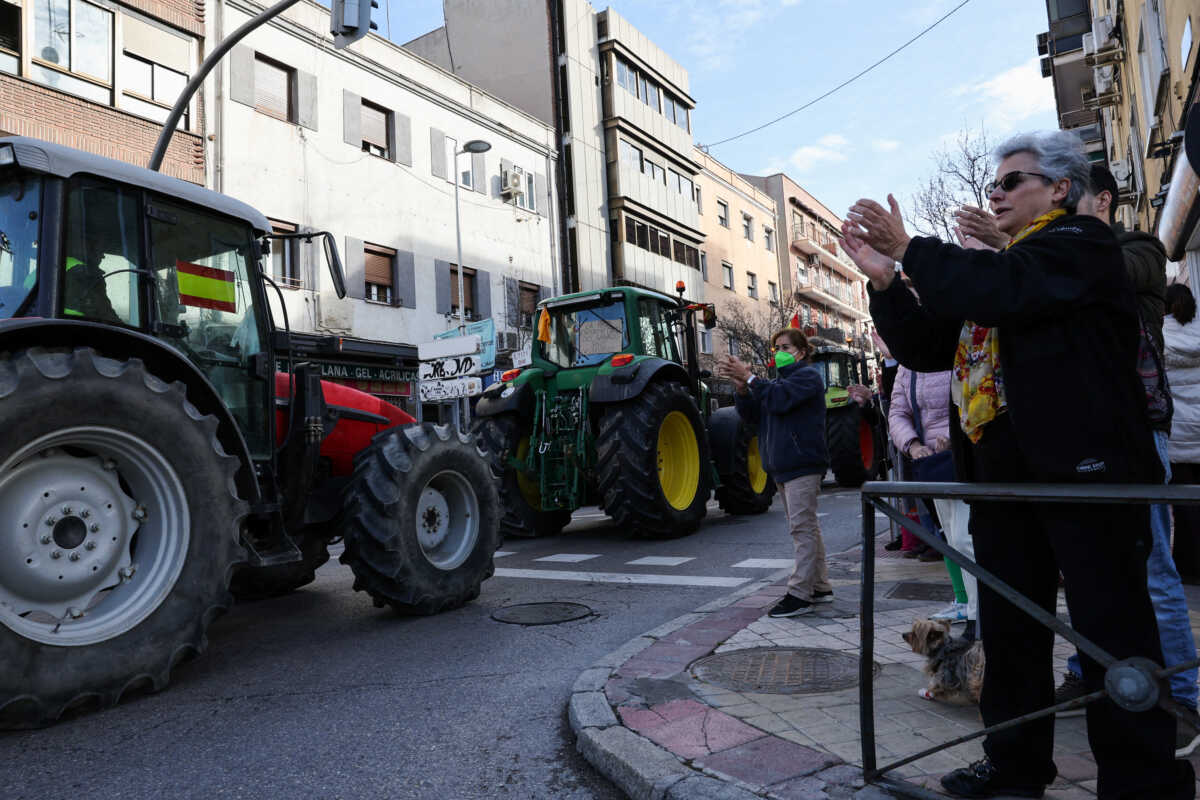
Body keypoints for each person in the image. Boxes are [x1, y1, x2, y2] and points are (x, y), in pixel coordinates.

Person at [842, 130, 1192, 799]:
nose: (995, 195)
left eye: (1011, 182)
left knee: (1111, 630)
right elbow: (925, 345)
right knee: (1011, 634)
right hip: (1004, 482)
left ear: (1059, 188)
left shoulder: (1080, 244)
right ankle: (1014, 768)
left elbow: (1008, 287)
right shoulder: (1001, 270)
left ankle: (1144, 782)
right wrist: (886, 281)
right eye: (992, 185)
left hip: (1084, 473)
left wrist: (911, 248)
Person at [720, 328, 832, 618]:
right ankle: (819, 587)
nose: (779, 352)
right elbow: (752, 416)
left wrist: (750, 378)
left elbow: (780, 399)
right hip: (783, 466)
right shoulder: (775, 384)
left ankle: (799, 594)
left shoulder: (807, 378)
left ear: (802, 352)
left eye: (786, 346)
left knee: (801, 528)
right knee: (807, 527)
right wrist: (743, 390)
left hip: (802, 464)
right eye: (776, 347)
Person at [889, 364, 978, 634]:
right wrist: (913, 445)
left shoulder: (956, 348)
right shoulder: (909, 366)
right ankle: (973, 612)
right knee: (953, 541)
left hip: (967, 456)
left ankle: (979, 617)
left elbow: (976, 395)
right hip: (935, 465)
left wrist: (954, 438)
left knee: (966, 540)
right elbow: (897, 412)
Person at [1165, 284, 1200, 588]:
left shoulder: (1161, 335)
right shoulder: (1199, 334)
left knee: (1183, 502)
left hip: (1177, 432)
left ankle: (1187, 565)